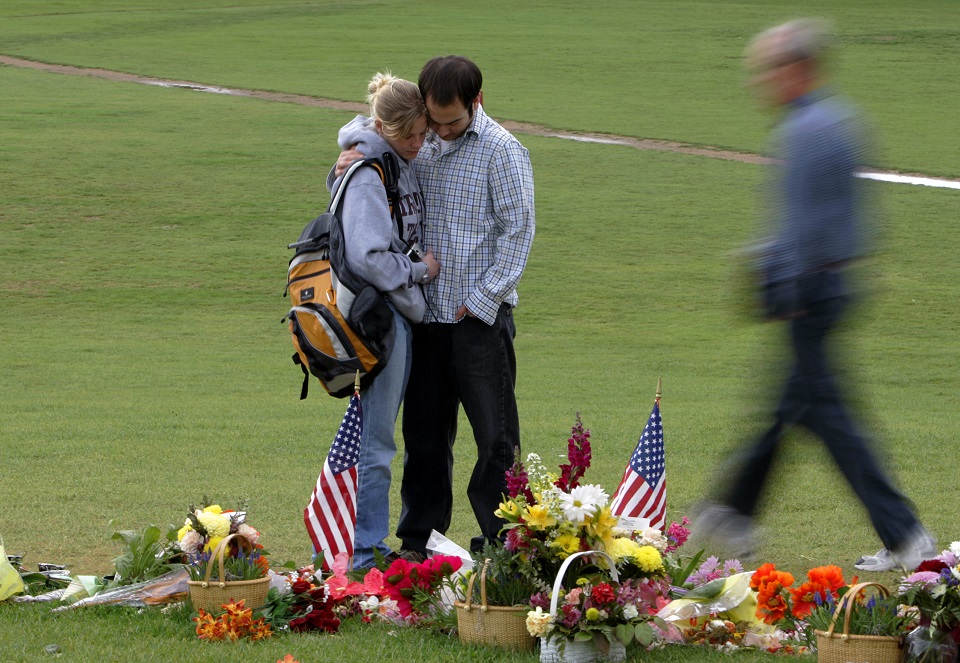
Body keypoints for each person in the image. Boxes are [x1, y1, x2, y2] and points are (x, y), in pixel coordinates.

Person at [694, 19, 935, 572]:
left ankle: (905, 535)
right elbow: (845, 216)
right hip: (835, 283)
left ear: (798, 69)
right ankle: (734, 511)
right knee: (789, 409)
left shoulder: (803, 130)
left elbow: (804, 223)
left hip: (809, 289)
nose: (763, 83)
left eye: (770, 70)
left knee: (830, 416)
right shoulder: (839, 120)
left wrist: (787, 285)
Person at [333, 56, 535, 559]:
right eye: (433, 122)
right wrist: (349, 154)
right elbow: (375, 136)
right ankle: (417, 544)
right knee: (424, 440)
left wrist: (482, 301)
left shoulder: (504, 153)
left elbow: (519, 233)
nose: (440, 133)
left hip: (478, 322)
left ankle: (503, 545)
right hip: (422, 319)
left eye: (452, 122)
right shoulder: (417, 138)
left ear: (477, 102)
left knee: (495, 439)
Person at [329, 72, 440, 569]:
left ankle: (358, 544)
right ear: (380, 126)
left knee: (376, 437)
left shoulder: (387, 158)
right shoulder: (370, 172)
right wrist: (420, 269)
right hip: (382, 321)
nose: (418, 143)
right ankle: (359, 552)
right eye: (407, 136)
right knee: (375, 442)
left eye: (423, 133)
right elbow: (371, 257)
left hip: (398, 317)